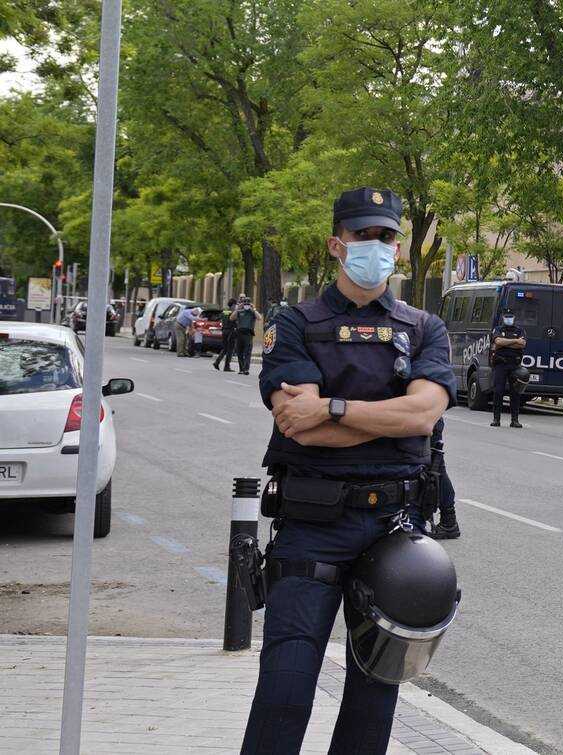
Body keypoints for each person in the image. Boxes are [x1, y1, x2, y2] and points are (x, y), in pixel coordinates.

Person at [243, 186, 456, 754]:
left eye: (386, 237)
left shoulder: (424, 328)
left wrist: (333, 408)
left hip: (394, 529)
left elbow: (424, 415)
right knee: (285, 689)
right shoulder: (296, 324)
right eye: (363, 235)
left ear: (398, 249)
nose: (376, 246)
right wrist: (392, 418)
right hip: (312, 522)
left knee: (373, 699)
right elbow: (298, 424)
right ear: (336, 244)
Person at [488, 308, 526, 427]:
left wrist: (505, 343)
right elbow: (498, 342)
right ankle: (496, 419)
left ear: (514, 318)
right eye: (506, 317)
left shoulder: (520, 330)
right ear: (503, 317)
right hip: (501, 364)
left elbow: (522, 344)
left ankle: (515, 420)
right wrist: (515, 341)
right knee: (498, 391)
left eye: (510, 317)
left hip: (514, 365)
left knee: (515, 393)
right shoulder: (498, 329)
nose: (509, 319)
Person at [429, 417, 460, 539]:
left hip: (426, 421)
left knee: (436, 469)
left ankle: (449, 521)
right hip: (426, 420)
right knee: (435, 468)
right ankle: (448, 520)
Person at [232, 295, 258, 375]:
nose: (246, 304)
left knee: (247, 352)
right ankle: (241, 369)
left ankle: (246, 369)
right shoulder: (240, 311)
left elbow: (259, 317)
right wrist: (237, 309)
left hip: (248, 334)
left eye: (248, 303)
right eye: (245, 303)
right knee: (239, 352)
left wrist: (254, 309)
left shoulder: (252, 312)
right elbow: (232, 318)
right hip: (239, 333)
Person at [213, 297, 238, 371]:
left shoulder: (225, 311)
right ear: (233, 305)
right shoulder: (233, 312)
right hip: (231, 331)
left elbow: (219, 319)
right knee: (230, 349)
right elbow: (235, 321)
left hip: (224, 331)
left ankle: (217, 362)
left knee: (225, 348)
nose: (236, 306)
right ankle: (226, 366)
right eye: (235, 305)